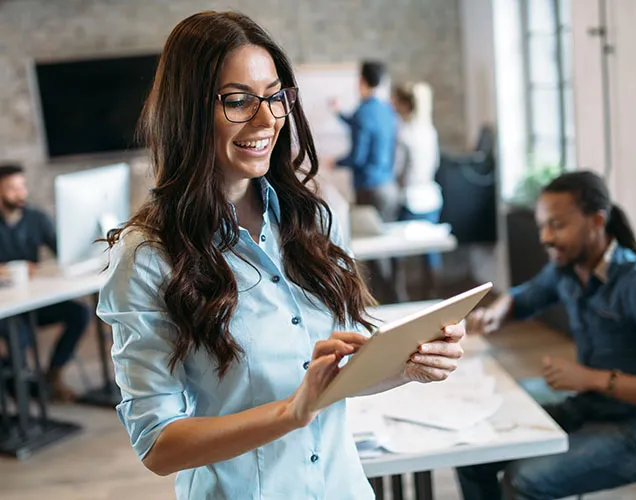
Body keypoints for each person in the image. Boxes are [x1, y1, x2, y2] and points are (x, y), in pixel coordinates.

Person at [96, 11, 466, 500]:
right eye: (237, 101)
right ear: (186, 110)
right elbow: (158, 443)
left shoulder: (316, 216)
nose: (267, 118)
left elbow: (332, 382)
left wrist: (408, 363)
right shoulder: (147, 256)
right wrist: (292, 411)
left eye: (275, 97)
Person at [458, 170, 636, 500]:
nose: (545, 237)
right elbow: (522, 297)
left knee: (523, 480)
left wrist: (591, 378)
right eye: (542, 226)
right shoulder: (567, 267)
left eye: (557, 225)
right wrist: (495, 313)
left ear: (596, 221)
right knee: (473, 450)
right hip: (591, 407)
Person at [0, 163, 90, 402]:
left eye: (22, 186)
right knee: (19, 335)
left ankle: (53, 375)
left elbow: (64, 252)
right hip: (6, 308)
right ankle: (21, 396)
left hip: (33, 301)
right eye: (12, 188)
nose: (21, 193)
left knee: (79, 314)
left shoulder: (36, 218)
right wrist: (5, 270)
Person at [333, 60, 399, 222]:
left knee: (370, 243)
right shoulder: (387, 110)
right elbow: (361, 125)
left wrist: (336, 162)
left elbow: (357, 158)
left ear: (361, 80)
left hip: (369, 190)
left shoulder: (362, 112)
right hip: (389, 187)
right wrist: (339, 113)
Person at [392, 81, 443, 273]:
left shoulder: (404, 134)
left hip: (410, 199)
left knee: (397, 253)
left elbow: (398, 169)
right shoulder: (430, 131)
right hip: (431, 197)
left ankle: (399, 297)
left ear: (404, 105)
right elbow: (436, 163)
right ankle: (434, 292)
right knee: (430, 251)